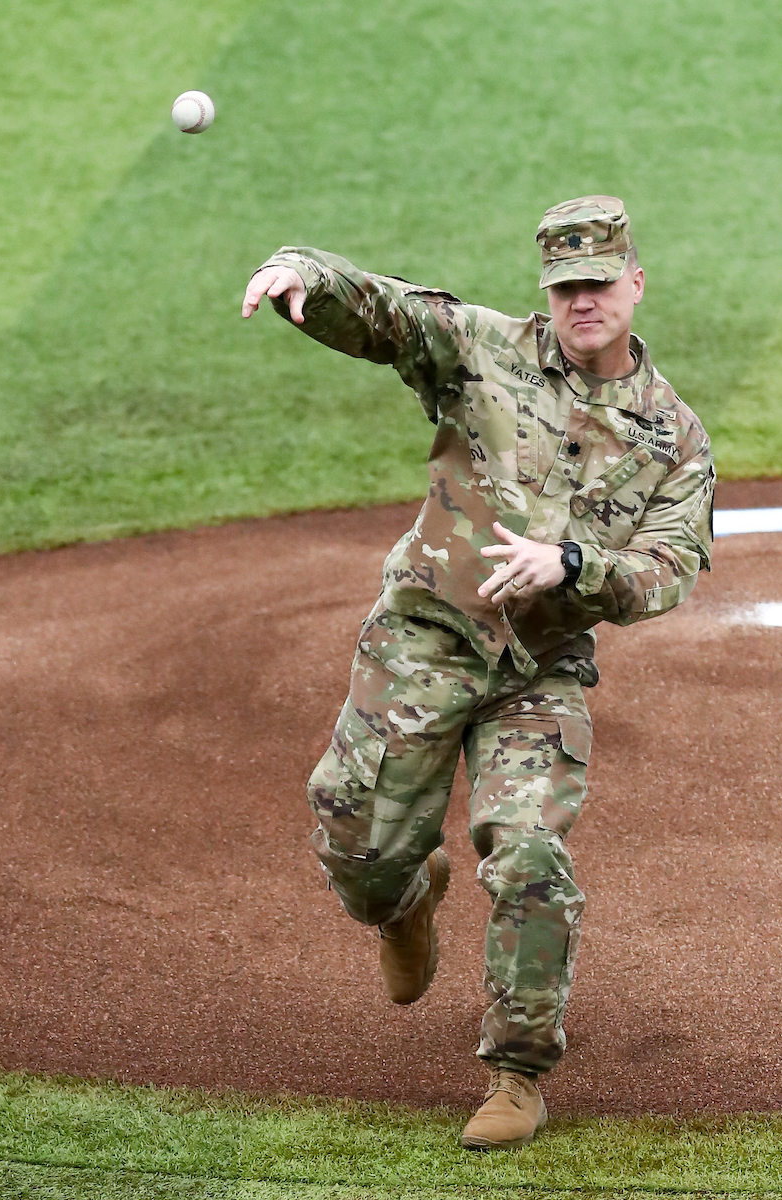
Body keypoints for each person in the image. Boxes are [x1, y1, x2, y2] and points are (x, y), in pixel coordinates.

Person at [241, 197, 714, 1149]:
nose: (584, 301)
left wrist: (575, 567)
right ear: (549, 291)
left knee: (531, 853)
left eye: (600, 282)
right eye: (566, 286)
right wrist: (304, 276)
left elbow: (669, 567)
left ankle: (516, 1075)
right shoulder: (483, 348)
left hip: (539, 671)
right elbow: (388, 312)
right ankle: (407, 903)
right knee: (360, 851)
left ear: (635, 284)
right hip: (424, 639)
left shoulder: (676, 440)